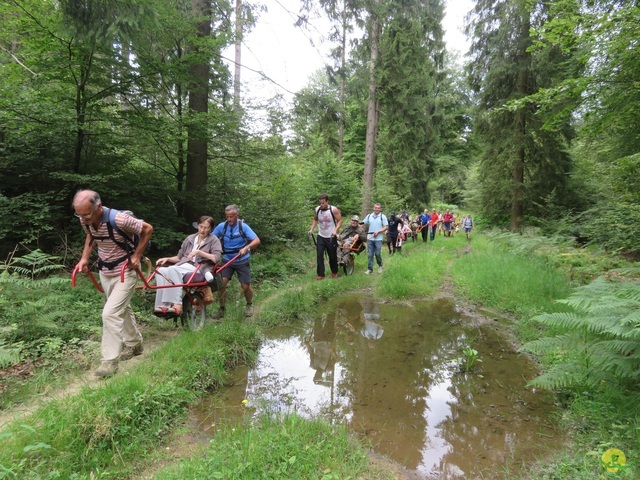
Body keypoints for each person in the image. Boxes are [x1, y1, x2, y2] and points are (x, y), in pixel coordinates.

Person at [73, 190, 153, 378]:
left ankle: (109, 361)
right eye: (79, 214)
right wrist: (84, 258)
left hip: (127, 271)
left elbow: (147, 229)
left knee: (110, 313)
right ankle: (135, 345)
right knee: (121, 309)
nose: (83, 218)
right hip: (105, 271)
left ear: (98, 207)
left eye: (87, 214)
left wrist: (137, 255)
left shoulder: (120, 219)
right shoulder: (85, 220)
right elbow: (91, 236)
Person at [153, 216, 222, 316]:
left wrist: (199, 252)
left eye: (206, 228)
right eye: (201, 226)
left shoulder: (213, 240)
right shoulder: (190, 238)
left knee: (173, 269)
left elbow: (216, 258)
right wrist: (167, 259)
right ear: (197, 226)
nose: (202, 230)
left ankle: (177, 304)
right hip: (184, 265)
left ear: (211, 229)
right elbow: (179, 257)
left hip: (200, 267)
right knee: (161, 271)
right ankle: (162, 305)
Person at [211, 205, 261, 319]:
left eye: (232, 217)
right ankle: (222, 309)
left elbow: (257, 240)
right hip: (227, 259)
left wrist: (246, 248)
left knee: (245, 286)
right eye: (227, 217)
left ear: (237, 216)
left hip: (242, 259)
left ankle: (249, 304)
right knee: (221, 285)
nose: (229, 219)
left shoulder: (243, 227)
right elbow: (211, 239)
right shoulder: (221, 227)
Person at [308, 194, 342, 280]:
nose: (321, 205)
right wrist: (311, 229)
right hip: (321, 236)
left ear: (327, 201)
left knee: (332, 256)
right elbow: (315, 219)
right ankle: (320, 274)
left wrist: (335, 230)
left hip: (331, 236)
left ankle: (334, 272)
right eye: (320, 203)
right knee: (319, 255)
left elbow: (340, 221)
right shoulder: (317, 209)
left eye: (323, 203)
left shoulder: (333, 210)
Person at [362, 203, 388, 274]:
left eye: (378, 208)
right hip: (370, 238)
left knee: (377, 253)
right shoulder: (369, 216)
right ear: (374, 208)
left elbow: (386, 227)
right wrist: (356, 223)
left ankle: (380, 265)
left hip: (378, 239)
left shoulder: (383, 217)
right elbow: (363, 223)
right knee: (370, 254)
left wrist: (378, 231)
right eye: (376, 208)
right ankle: (370, 269)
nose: (377, 209)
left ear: (380, 209)